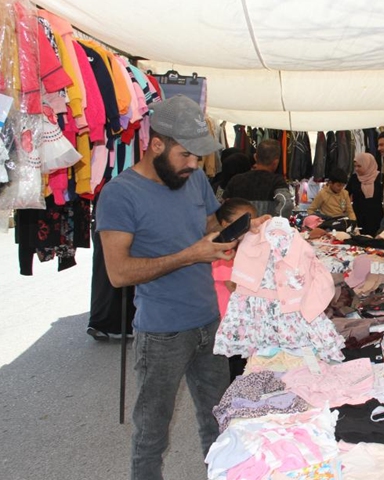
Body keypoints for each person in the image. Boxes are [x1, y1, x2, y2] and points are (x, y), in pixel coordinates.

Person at [96, 94, 241, 480]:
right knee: (151, 435)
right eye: (186, 156)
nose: (194, 166)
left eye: (198, 158)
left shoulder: (192, 180)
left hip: (209, 321)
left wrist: (240, 232)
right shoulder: (119, 194)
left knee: (221, 422)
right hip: (161, 333)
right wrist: (190, 255)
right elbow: (119, 273)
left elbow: (208, 230)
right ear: (156, 145)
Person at [212, 197, 258, 383]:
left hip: (238, 322)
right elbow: (235, 286)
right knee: (232, 372)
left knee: (240, 369)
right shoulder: (223, 253)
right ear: (225, 225)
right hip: (227, 324)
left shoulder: (240, 250)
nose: (249, 228)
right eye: (243, 224)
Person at [223, 138, 294, 218]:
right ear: (276, 162)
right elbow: (286, 203)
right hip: (266, 228)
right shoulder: (277, 182)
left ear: (255, 157)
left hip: (240, 228)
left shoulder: (236, 180)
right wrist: (275, 223)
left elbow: (223, 205)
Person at [346, 152, 384, 236]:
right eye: (355, 166)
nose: (356, 169)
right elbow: (346, 195)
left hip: (376, 217)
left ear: (368, 164)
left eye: (359, 166)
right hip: (358, 217)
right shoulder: (354, 178)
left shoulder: (380, 178)